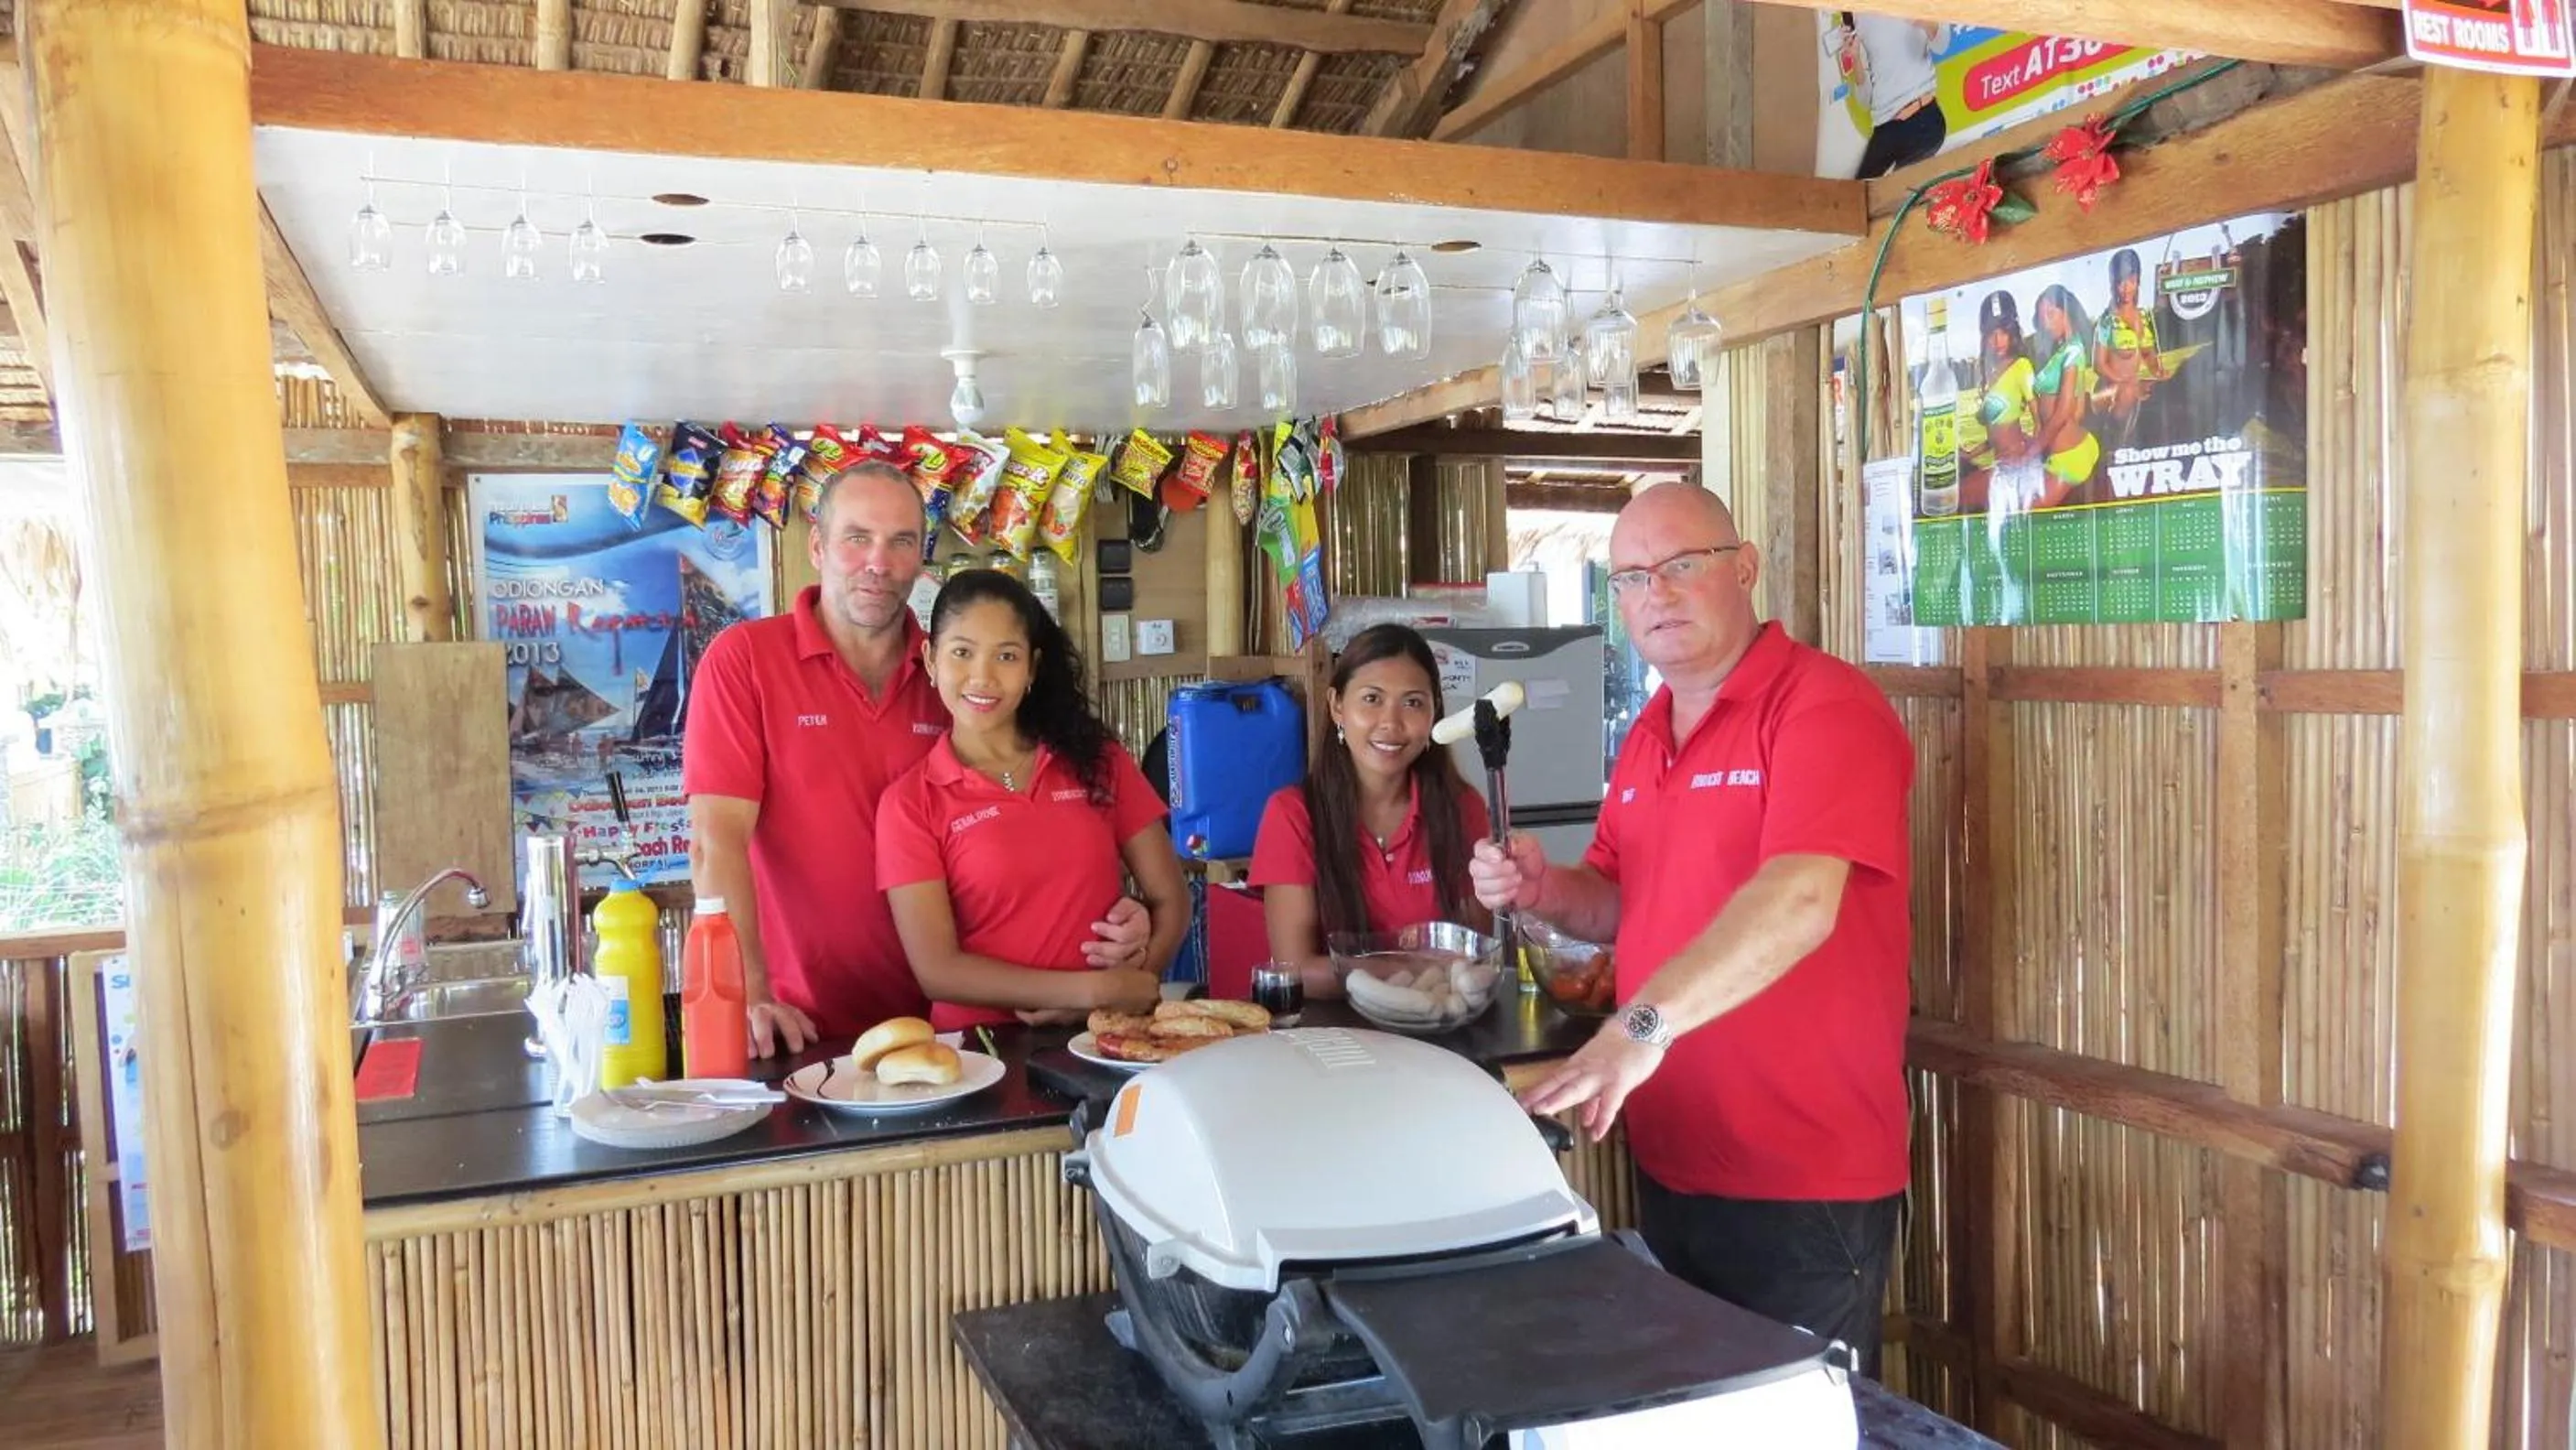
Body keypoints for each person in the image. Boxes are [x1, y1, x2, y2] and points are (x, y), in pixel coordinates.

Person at [1469, 482, 1913, 1379]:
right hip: (1672, 1155)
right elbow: (1620, 901)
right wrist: (1546, 887)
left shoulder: (1822, 706)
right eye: (1631, 578)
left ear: (1743, 568)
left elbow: (1800, 899)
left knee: (1794, 1434)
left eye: (1680, 566)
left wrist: (1638, 1030)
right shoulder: (1647, 734)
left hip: (1801, 1175)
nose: (1656, 595)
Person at [684, 461, 1148, 1056]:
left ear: (920, 556)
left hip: (964, 1027)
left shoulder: (956, 675)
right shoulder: (745, 661)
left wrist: (1130, 921)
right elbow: (714, 841)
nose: (879, 562)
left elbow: (1048, 815)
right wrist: (748, 994)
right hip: (798, 1026)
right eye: (858, 538)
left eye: (901, 541)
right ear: (819, 546)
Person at [878, 569, 1190, 1032]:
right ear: (929, 658)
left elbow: (1173, 899)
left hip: (1102, 1039)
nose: (982, 677)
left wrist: (1132, 985)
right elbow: (937, 971)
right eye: (962, 652)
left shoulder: (1097, 760)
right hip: (979, 1055)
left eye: (1006, 656)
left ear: (1032, 669)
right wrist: (1089, 992)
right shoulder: (909, 803)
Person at [1248, 624, 1492, 1000]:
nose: (1391, 724)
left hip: (1442, 1025)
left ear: (1434, 714)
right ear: (1337, 707)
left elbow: (1473, 958)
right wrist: (1407, 968)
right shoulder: (1294, 815)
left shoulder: (1462, 808)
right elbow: (1295, 968)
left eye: (1413, 702)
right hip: (1334, 1037)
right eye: (1372, 699)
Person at [1826, 12, 1952, 180]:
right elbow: (1865, 100)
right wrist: (1855, 58)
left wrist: (1926, 21)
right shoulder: (1857, 16)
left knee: (1896, 196)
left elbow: (1942, 44)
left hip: (1924, 120)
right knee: (1860, 196)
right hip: (1885, 129)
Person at [1972, 289, 2045, 515]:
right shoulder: (1987, 374)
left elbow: (2039, 421)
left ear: (2012, 332)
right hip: (2001, 467)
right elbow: (1994, 435)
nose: (1998, 340)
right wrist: (1970, 453)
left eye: (2004, 332)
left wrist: (2028, 455)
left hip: (2020, 467)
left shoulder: (2021, 367)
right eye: (1992, 333)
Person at [2030, 283, 2101, 504]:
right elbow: (2077, 410)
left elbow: (2063, 413)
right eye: (2043, 317)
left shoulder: (2073, 351)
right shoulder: (2063, 352)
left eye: (2051, 313)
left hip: (2069, 457)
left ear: (2066, 311)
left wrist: (2033, 449)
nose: (2046, 322)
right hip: (2066, 448)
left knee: (2025, 517)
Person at [2090, 248, 2167, 440]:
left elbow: (2148, 354)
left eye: (2131, 281)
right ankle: (2111, 438)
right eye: (2120, 283)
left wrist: (2158, 372)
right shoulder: (2107, 322)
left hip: (2132, 388)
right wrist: (2123, 382)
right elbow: (2099, 364)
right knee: (2128, 394)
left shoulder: (2144, 316)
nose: (2126, 288)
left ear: (2138, 281)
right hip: (2110, 391)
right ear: (2113, 285)